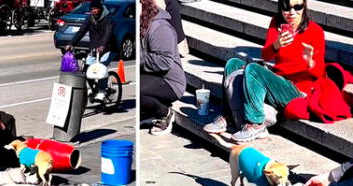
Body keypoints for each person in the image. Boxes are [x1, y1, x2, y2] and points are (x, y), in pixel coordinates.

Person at [204, 0, 325, 142]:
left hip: (298, 90)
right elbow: (266, 55)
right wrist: (276, 44)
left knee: (253, 69)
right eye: (287, 7)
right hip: (277, 80)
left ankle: (256, 124)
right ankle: (229, 116)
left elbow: (319, 74)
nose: (291, 12)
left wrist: (310, 61)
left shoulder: (315, 31)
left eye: (297, 7)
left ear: (304, 7)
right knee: (233, 64)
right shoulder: (276, 22)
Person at [139, 0, 185, 135]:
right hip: (153, 75)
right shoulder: (141, 23)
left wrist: (139, 57)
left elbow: (164, 62)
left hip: (170, 82)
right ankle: (149, 112)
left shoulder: (160, 27)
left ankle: (164, 112)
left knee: (138, 91)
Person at [64, 0, 114, 102]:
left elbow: (108, 34)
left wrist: (103, 46)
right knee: (87, 70)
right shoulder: (89, 19)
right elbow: (81, 32)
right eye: (92, 9)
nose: (94, 11)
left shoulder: (108, 19)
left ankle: (102, 91)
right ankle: (93, 89)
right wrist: (71, 44)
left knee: (101, 68)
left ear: (100, 9)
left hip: (108, 48)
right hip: (94, 49)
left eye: (95, 9)